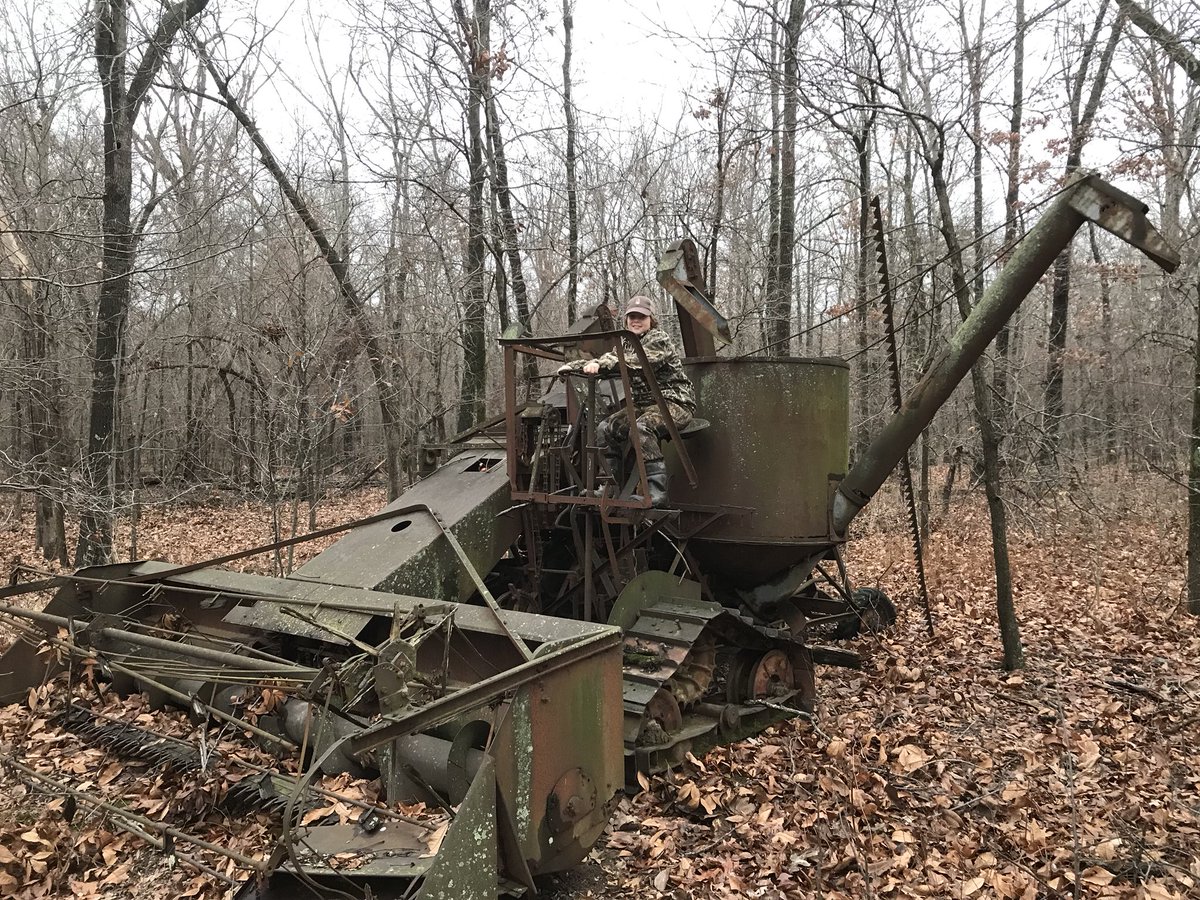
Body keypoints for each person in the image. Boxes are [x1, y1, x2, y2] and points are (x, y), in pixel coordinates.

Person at [557, 295, 695, 508]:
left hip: (674, 404)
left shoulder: (659, 340)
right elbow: (607, 361)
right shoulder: (626, 344)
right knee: (605, 428)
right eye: (632, 316)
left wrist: (601, 363)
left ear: (651, 319)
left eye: (641, 316)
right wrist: (575, 367)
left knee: (640, 428)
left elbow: (633, 362)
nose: (636, 321)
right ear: (626, 320)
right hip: (643, 405)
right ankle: (609, 488)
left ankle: (656, 492)